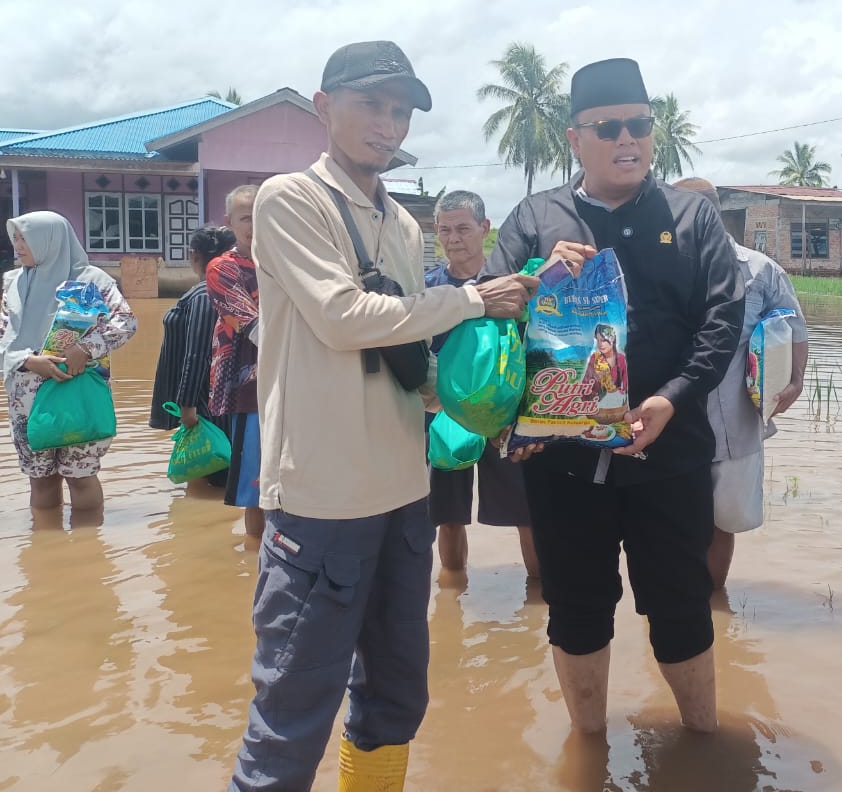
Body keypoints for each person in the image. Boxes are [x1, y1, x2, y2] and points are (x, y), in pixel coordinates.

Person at [227, 40, 537, 791]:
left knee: (397, 694)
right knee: (293, 712)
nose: (388, 124)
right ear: (325, 107)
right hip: (322, 500)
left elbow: (409, 357)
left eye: (400, 111)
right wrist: (474, 298)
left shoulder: (402, 225)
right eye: (373, 105)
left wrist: (492, 401)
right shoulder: (290, 199)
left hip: (405, 494)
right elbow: (342, 317)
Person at [485, 57, 744, 734]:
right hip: (562, 458)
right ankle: (588, 746)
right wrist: (536, 277)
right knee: (574, 606)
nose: (628, 138)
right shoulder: (536, 218)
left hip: (671, 452)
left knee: (682, 602)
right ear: (575, 138)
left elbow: (723, 322)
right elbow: (488, 313)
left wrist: (672, 400)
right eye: (609, 128)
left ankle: (702, 743)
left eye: (640, 125)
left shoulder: (690, 218)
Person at [672, 176, 808, 589]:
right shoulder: (661, 270)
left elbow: (794, 329)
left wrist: (796, 381)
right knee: (671, 523)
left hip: (736, 420)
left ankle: (713, 603)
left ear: (713, 213)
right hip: (671, 424)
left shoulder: (761, 271)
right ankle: (671, 606)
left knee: (723, 523)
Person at [424, 189, 538, 579]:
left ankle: (541, 598)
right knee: (448, 515)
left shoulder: (511, 284)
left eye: (463, 228)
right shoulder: (429, 288)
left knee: (526, 513)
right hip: (446, 414)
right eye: (444, 230)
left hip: (506, 413)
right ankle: (452, 595)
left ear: (485, 229)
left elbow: (531, 345)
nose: (453, 238)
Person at [0, 212, 138, 512]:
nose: (18, 246)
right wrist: (27, 360)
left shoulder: (92, 280)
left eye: (25, 238)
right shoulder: (12, 283)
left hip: (79, 390)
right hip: (26, 398)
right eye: (16, 238)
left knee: (81, 476)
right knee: (40, 479)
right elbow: (2, 335)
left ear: (49, 240)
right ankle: (47, 550)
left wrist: (85, 349)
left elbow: (125, 322)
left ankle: (88, 551)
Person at [150, 225, 237, 488]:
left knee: (203, 472)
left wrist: (188, 406)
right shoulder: (220, 291)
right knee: (215, 471)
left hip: (203, 403)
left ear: (194, 255)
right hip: (215, 399)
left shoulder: (204, 295)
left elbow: (197, 354)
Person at [207, 186, 264, 539]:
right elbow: (255, 326)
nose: (256, 225)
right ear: (230, 223)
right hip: (249, 391)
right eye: (247, 218)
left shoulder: (288, 261)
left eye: (263, 216)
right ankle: (256, 563)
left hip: (299, 388)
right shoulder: (222, 269)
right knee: (256, 489)